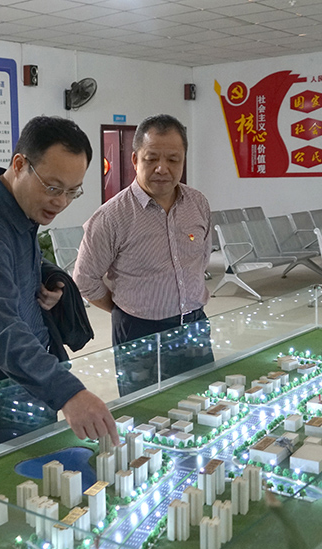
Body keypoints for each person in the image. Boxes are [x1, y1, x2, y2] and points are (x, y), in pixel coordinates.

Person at [0, 115, 119, 455]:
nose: (61, 202)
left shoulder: (18, 208)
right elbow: (1, 332)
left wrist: (48, 277)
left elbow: (20, 259)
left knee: (43, 471)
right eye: (52, 188)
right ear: (19, 165)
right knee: (8, 480)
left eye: (72, 191)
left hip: (31, 369)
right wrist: (70, 394)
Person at [73, 114, 214, 392]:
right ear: (135, 160)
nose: (162, 168)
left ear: (183, 161)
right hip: (139, 333)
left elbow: (202, 259)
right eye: (152, 159)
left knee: (203, 402)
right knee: (144, 410)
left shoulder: (197, 203)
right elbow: (85, 280)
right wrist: (126, 309)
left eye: (173, 159)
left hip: (194, 325)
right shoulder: (111, 216)